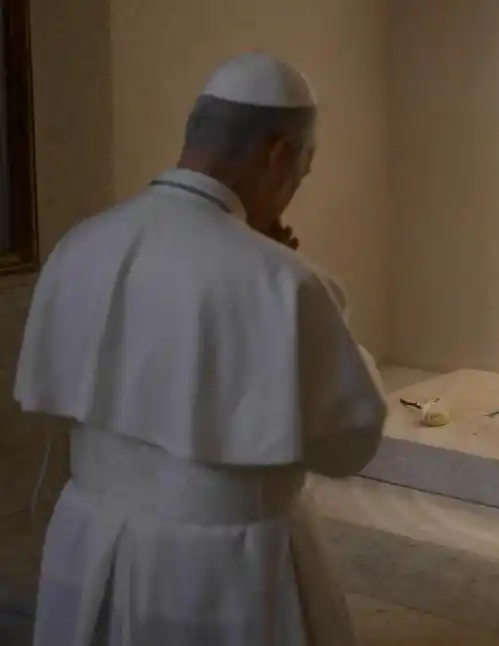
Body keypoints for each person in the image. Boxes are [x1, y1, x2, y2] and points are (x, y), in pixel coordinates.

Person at [13, 52, 387, 646]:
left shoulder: (81, 242)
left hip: (88, 537)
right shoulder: (284, 281)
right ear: (279, 156)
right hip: (221, 568)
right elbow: (348, 444)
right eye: (301, 172)